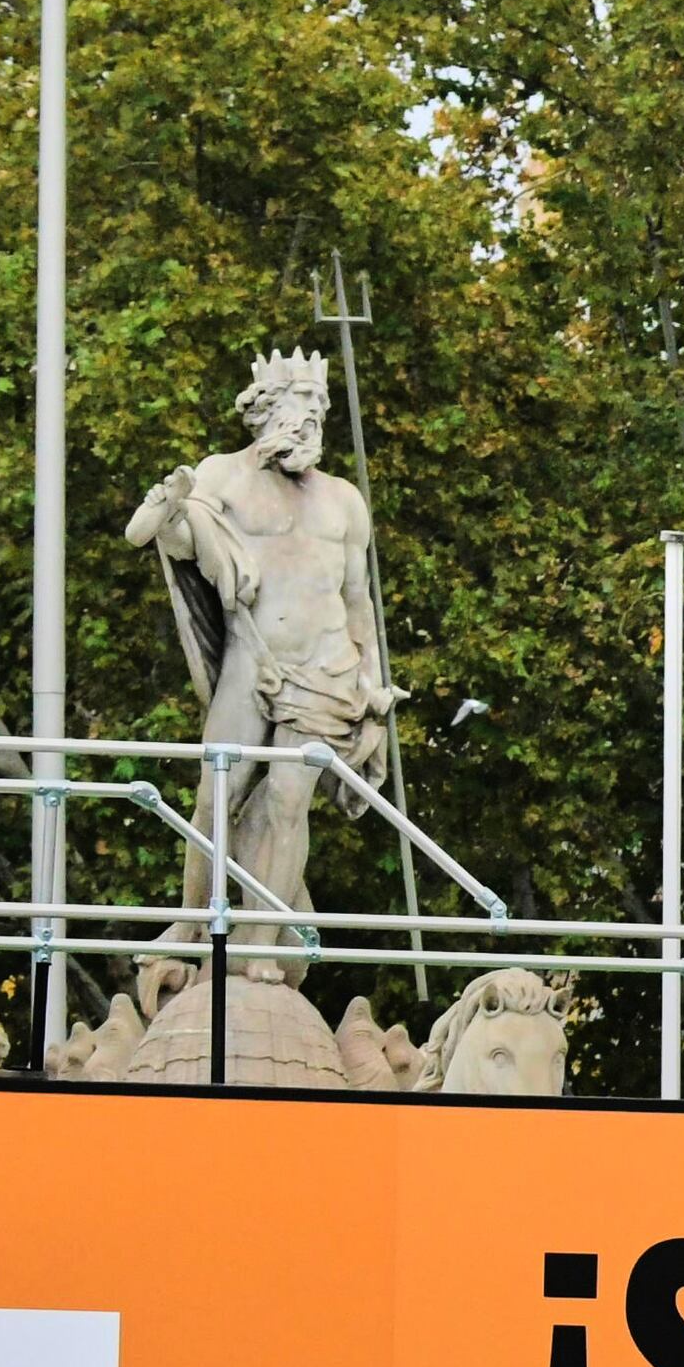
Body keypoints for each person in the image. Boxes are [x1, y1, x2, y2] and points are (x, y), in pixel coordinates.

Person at [125, 351, 397, 974]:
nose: (308, 431)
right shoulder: (221, 477)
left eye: (317, 418)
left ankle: (260, 943)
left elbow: (359, 603)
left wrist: (373, 689)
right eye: (298, 417)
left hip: (328, 670)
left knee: (286, 802)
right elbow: (187, 543)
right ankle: (193, 921)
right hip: (255, 659)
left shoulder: (343, 501)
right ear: (265, 416)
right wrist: (169, 512)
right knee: (215, 794)